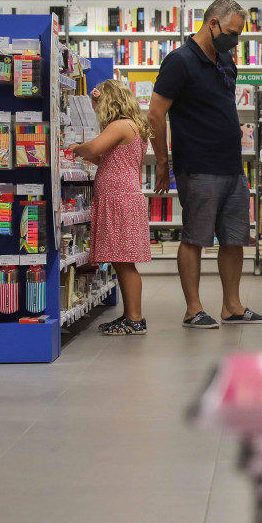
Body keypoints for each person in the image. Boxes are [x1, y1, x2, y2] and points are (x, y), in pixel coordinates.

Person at [148, 0, 262, 329]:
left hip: (233, 166)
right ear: (213, 23)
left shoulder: (226, 59)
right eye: (233, 32)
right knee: (195, 238)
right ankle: (193, 309)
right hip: (198, 165)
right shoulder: (180, 61)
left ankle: (232, 306)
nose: (236, 40)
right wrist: (163, 163)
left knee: (235, 239)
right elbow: (155, 113)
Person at [69, 80, 151, 336]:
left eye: (97, 105)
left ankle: (135, 319)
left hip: (120, 199)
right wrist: (85, 154)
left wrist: (76, 148)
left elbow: (93, 148)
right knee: (121, 260)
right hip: (120, 198)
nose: (97, 111)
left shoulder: (120, 125)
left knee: (125, 263)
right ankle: (130, 316)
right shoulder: (132, 126)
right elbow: (104, 157)